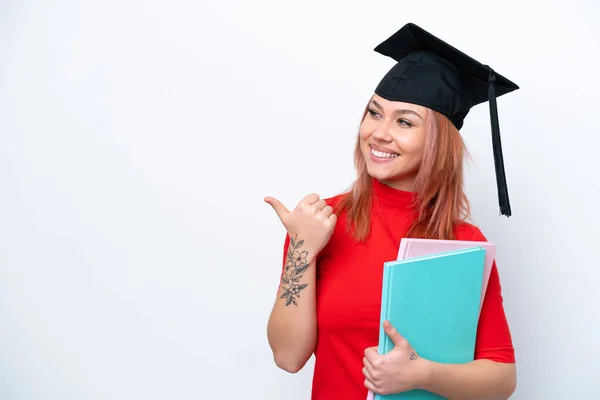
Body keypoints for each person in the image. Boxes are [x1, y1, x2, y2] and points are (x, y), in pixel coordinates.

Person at [265, 22, 518, 400]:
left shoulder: (464, 244)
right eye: (374, 113)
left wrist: (421, 374)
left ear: (438, 141)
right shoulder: (321, 222)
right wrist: (302, 249)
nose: (379, 133)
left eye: (404, 121)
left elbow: (501, 380)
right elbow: (288, 357)